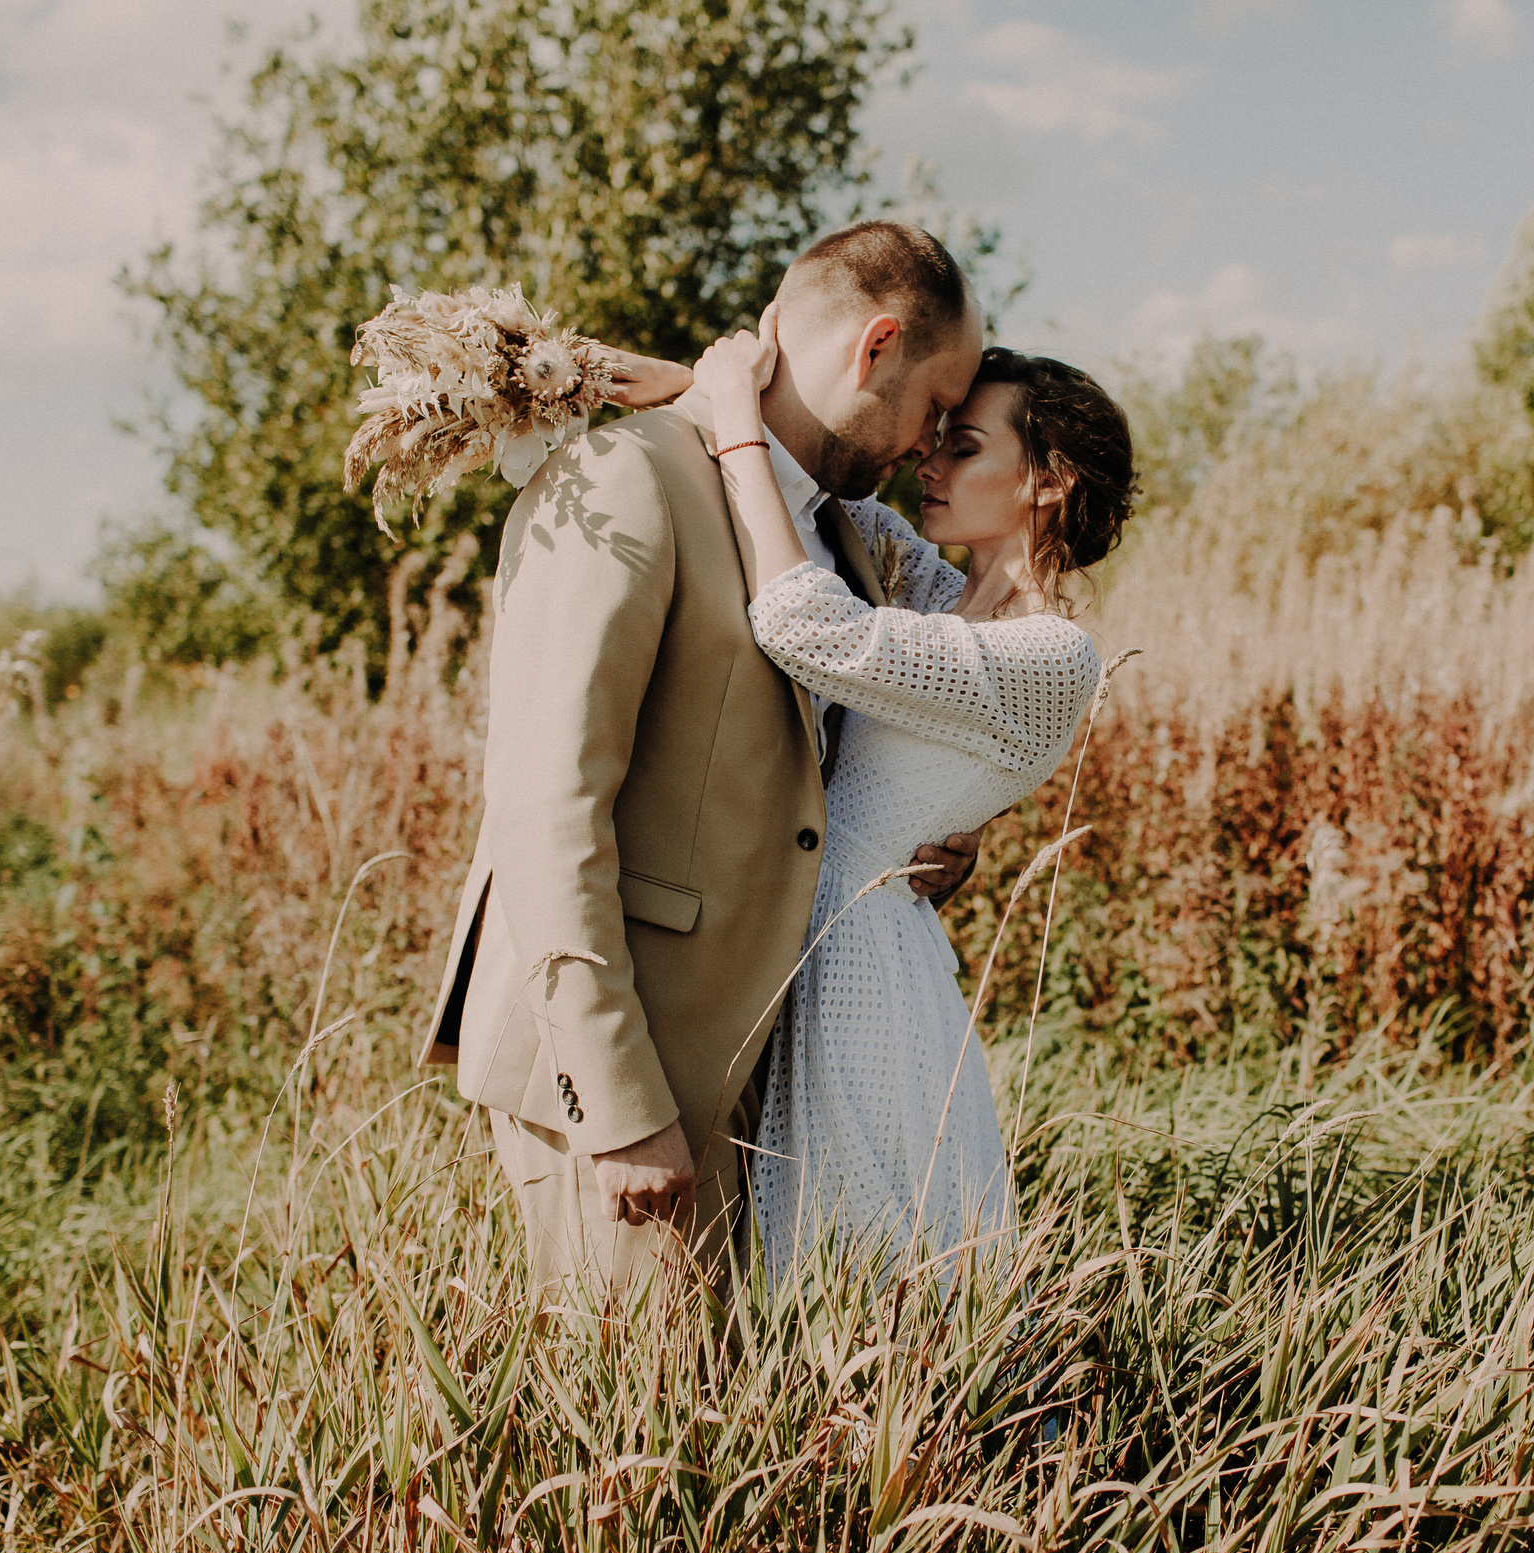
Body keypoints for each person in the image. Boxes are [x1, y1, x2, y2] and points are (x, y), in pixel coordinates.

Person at [419, 221, 987, 1302]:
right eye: (938, 405)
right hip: (633, 1064)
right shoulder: (623, 475)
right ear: (872, 349)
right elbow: (546, 803)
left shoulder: (842, 532)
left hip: (766, 1064)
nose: (934, 441)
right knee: (638, 1441)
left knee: (733, 1436)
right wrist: (618, 1099)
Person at [687, 322, 1135, 1274]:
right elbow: (806, 485)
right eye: (937, 437)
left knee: (858, 1267)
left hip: (866, 973)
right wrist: (588, 372)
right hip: (822, 929)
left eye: (963, 446)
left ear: (1047, 480)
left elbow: (804, 621)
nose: (927, 461)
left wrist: (731, 418)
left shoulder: (1053, 654)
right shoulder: (931, 591)